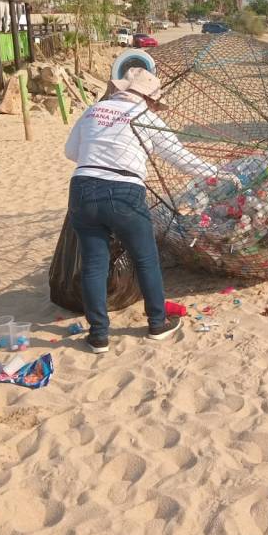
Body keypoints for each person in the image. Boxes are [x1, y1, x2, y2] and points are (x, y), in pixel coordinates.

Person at [64, 63, 218, 354]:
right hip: (124, 192)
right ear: (149, 98)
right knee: (145, 258)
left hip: (83, 188)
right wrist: (217, 173)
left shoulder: (93, 110)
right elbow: (180, 157)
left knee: (94, 263)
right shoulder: (145, 117)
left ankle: (98, 335)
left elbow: (70, 152)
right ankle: (157, 322)